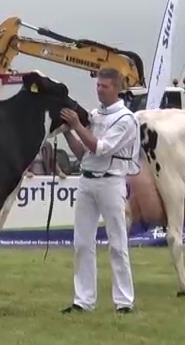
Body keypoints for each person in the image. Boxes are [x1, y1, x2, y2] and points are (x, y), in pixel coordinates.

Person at [58, 68, 138, 314]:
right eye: (98, 85)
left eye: (104, 86)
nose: (99, 89)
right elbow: (82, 152)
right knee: (82, 242)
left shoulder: (126, 119)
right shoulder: (94, 115)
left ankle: (124, 301)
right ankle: (83, 300)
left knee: (117, 242)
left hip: (111, 181)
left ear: (116, 88)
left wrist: (76, 125)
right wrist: (67, 131)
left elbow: (99, 147)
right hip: (87, 179)